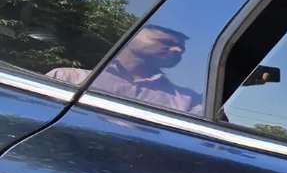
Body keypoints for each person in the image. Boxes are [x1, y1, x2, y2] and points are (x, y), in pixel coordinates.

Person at [48, 25, 202, 113]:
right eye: (166, 42)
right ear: (129, 37)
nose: (178, 50)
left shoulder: (189, 102)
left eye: (181, 47)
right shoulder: (67, 79)